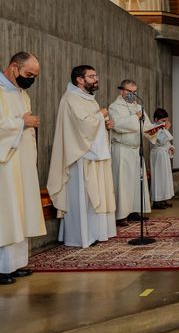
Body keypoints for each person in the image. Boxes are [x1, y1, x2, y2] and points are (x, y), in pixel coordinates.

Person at [47, 65, 116, 248]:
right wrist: (101, 114)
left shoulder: (88, 99)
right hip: (80, 156)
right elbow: (83, 126)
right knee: (83, 197)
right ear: (79, 79)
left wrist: (105, 124)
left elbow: (93, 123)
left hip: (94, 155)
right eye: (92, 76)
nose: (96, 79)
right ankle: (82, 236)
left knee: (97, 195)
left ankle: (95, 233)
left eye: (96, 75)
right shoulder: (71, 98)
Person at [0, 52, 46, 285]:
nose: (31, 79)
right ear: (14, 68)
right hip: (4, 164)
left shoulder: (22, 94)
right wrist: (22, 123)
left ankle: (16, 263)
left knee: (20, 212)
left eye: (34, 76)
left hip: (21, 162)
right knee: (6, 214)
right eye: (28, 74)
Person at [109, 80, 157, 225]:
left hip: (136, 150)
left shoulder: (139, 107)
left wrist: (153, 130)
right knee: (122, 183)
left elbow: (146, 125)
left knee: (137, 182)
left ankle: (135, 211)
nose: (133, 95)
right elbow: (118, 125)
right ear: (121, 91)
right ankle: (121, 215)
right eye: (130, 92)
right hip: (122, 149)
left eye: (135, 92)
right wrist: (135, 118)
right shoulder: (114, 107)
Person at [150, 108, 175, 209]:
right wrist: (166, 129)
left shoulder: (162, 128)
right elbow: (160, 141)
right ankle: (156, 201)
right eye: (163, 121)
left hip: (164, 154)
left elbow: (166, 142)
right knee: (158, 177)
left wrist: (171, 147)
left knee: (165, 178)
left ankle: (164, 198)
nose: (165, 123)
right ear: (156, 119)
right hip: (158, 154)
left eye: (166, 121)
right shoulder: (152, 128)